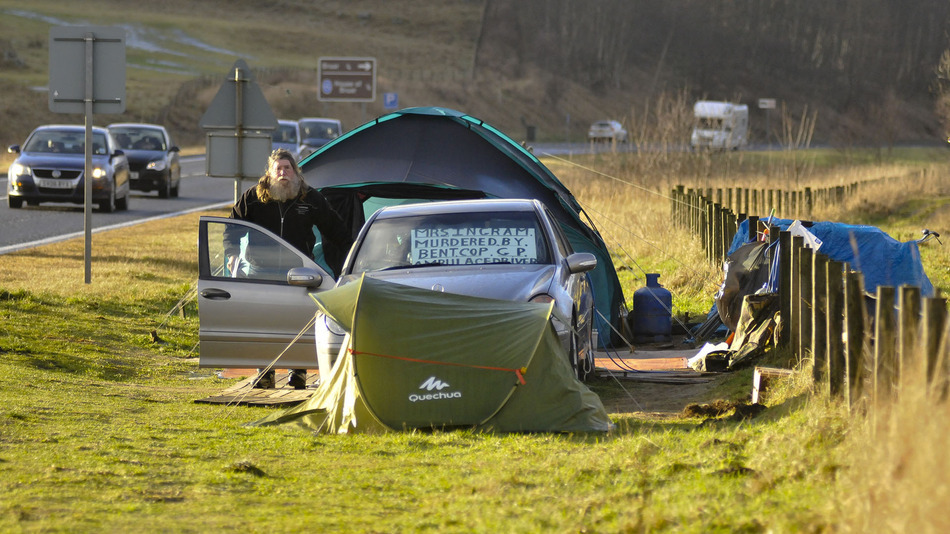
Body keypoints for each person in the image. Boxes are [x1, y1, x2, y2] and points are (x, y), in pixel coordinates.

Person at [225, 148, 353, 390]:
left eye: (287, 168)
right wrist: (231, 254)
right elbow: (232, 226)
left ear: (296, 172)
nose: (283, 172)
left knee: (299, 322)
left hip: (299, 274)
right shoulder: (253, 197)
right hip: (260, 270)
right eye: (278, 168)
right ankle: (265, 372)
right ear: (270, 173)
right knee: (263, 323)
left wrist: (353, 255)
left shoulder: (310, 198)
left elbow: (336, 230)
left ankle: (299, 372)